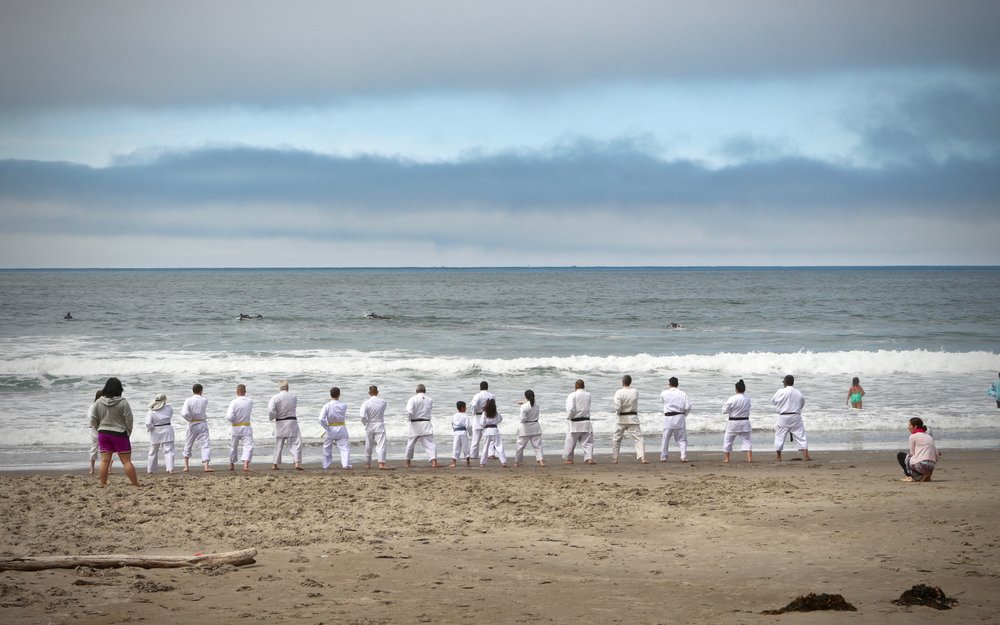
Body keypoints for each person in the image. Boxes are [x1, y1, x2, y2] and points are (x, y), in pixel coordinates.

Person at [88, 377, 140, 487]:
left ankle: (103, 484)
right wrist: (128, 431)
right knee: (126, 461)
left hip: (103, 433)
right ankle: (135, 484)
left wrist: (98, 428)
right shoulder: (123, 402)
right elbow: (129, 419)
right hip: (119, 433)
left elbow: (92, 419)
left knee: (105, 461)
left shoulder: (98, 402)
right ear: (119, 389)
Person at [771, 374, 811, 461]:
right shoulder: (798, 392)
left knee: (779, 436)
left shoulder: (780, 391)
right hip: (795, 416)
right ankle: (806, 455)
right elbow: (802, 403)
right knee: (801, 435)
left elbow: (773, 401)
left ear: (785, 382)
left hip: (783, 416)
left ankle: (778, 457)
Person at [268, 380, 304, 470]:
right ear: (287, 387)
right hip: (291, 421)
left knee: (278, 444)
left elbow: (271, 411)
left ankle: (274, 464)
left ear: (279, 388)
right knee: (295, 443)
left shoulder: (275, 398)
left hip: (280, 422)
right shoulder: (293, 397)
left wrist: (272, 418)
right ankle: (296, 462)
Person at [612, 375, 647, 464]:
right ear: (630, 382)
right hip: (633, 417)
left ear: (622, 382)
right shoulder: (635, 391)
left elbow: (618, 406)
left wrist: (618, 412)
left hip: (621, 418)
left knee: (617, 438)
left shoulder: (619, 392)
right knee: (638, 438)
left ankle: (615, 458)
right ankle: (642, 457)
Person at [405, 384, 439, 468]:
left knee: (411, 443)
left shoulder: (412, 399)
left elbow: (409, 412)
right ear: (425, 391)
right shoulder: (429, 399)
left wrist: (409, 419)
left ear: (416, 391)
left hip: (415, 424)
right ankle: (434, 461)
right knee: (430, 443)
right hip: (426, 423)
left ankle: (408, 462)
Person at [181, 383, 213, 472]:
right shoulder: (204, 400)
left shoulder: (188, 400)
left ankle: (186, 466)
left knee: (188, 444)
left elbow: (184, 413)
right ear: (201, 391)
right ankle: (206, 466)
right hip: (202, 424)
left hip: (192, 424)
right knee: (205, 444)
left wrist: (190, 419)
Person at [897, 417, 941, 482]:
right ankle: (926, 475)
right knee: (915, 459)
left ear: (915, 427)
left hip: (922, 465)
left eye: (909, 425)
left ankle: (911, 477)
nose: (908, 427)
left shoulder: (913, 436)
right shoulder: (928, 436)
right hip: (931, 466)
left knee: (900, 455)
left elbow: (912, 454)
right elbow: (936, 454)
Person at [658, 376, 692, 462]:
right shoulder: (683, 393)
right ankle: (683, 456)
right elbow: (688, 406)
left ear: (669, 384)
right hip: (679, 417)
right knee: (681, 439)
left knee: (665, 438)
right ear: (677, 384)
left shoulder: (664, 393)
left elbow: (662, 401)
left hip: (668, 418)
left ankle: (663, 457)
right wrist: (684, 414)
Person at [319, 387, 352, 470]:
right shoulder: (344, 405)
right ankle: (345, 464)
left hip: (330, 428)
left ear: (330, 395)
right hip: (341, 427)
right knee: (344, 447)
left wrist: (326, 427)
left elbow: (321, 419)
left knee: (327, 447)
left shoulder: (327, 406)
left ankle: (325, 465)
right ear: (339, 395)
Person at [564, 379, 596, 464]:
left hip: (575, 422)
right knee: (588, 442)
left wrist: (569, 417)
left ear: (575, 386)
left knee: (570, 442)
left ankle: (569, 459)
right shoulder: (588, 395)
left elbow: (571, 409)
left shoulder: (572, 395)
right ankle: (589, 458)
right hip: (586, 421)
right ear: (583, 386)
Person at [721, 379, 752, 463]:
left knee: (728, 440)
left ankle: (727, 459)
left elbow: (724, 410)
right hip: (745, 422)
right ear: (744, 389)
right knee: (747, 440)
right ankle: (749, 458)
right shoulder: (748, 399)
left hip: (733, 422)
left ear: (736, 389)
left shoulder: (732, 398)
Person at [360, 385, 390, 469]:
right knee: (381, 445)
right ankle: (381, 464)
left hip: (370, 424)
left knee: (368, 444)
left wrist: (365, 423)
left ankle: (367, 463)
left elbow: (362, 416)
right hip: (379, 424)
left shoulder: (366, 403)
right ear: (377, 392)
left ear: (369, 393)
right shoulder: (383, 402)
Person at [226, 384, 254, 472]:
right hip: (246, 426)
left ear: (237, 392)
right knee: (248, 446)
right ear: (245, 392)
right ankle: (246, 464)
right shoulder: (249, 401)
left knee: (233, 446)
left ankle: (231, 464)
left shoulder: (234, 402)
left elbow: (229, 416)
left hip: (236, 427)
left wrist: (233, 421)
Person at [145, 393, 175, 474]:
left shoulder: (151, 411)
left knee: (153, 451)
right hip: (167, 429)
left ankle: (151, 469)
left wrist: (151, 428)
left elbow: (148, 423)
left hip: (155, 431)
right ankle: (170, 468)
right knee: (168, 450)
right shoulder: (169, 409)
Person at [514, 389, 544, 467]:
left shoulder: (524, 407)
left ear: (525, 397)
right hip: (535, 426)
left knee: (520, 446)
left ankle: (517, 462)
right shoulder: (537, 404)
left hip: (525, 428)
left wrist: (523, 405)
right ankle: (541, 461)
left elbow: (523, 418)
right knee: (538, 446)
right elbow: (531, 404)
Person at [469, 381, 495, 461]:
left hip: (478, 417)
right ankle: (491, 453)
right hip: (488, 416)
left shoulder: (477, 395)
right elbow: (493, 406)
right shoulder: (492, 396)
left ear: (480, 387)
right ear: (487, 387)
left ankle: (473, 454)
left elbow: (473, 405)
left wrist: (474, 412)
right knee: (490, 437)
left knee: (476, 438)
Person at [479, 397, 508, 467]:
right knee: (499, 446)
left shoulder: (485, 413)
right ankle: (503, 462)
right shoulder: (495, 413)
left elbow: (482, 423)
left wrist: (485, 425)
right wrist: (496, 422)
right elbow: (500, 418)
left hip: (487, 431)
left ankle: (482, 463)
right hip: (495, 430)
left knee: (486, 447)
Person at [450, 401, 472, 468]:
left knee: (456, 447)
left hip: (456, 432)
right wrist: (470, 433)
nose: (466, 408)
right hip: (463, 432)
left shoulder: (454, 415)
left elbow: (452, 423)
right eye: (465, 407)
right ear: (462, 408)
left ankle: (454, 463)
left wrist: (454, 430)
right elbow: (468, 426)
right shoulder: (465, 416)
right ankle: (468, 462)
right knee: (466, 446)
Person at [88, 388, 103, 475]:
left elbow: (91, 419)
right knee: (105, 450)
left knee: (93, 449)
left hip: (94, 430)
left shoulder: (92, 406)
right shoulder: (102, 406)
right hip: (102, 431)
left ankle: (92, 469)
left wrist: (91, 424)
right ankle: (108, 469)